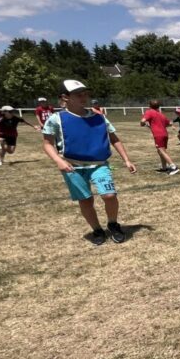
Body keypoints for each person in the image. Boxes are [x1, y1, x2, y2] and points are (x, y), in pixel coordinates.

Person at [41, 80, 137, 245]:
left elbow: (114, 138)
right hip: (72, 167)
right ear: (65, 97)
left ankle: (113, 224)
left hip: (99, 164)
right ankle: (97, 230)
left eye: (85, 94)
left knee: (109, 195)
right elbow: (47, 144)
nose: (84, 97)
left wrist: (126, 160)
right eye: (78, 94)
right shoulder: (56, 119)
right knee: (85, 200)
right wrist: (58, 160)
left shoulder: (99, 117)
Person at [140, 100, 180, 175]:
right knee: (160, 151)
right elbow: (169, 123)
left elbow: (143, 121)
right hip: (165, 134)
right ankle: (164, 167)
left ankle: (173, 167)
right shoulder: (161, 114)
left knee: (161, 151)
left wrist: (142, 124)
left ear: (149, 106)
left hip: (158, 135)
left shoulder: (149, 112)